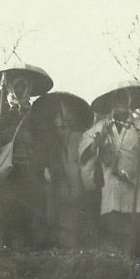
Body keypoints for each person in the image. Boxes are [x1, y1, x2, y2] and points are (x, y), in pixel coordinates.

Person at [80, 81, 140, 254]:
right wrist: (96, 144)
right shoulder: (101, 127)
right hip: (111, 183)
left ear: (130, 101)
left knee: (133, 232)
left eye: (124, 98)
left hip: (135, 184)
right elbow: (84, 154)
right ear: (111, 102)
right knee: (113, 229)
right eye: (117, 98)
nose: (121, 102)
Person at [0, 63, 53, 250]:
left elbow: (44, 142)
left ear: (29, 88)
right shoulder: (2, 114)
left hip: (31, 171)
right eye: (17, 86)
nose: (21, 90)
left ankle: (27, 254)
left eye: (24, 86)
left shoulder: (36, 115)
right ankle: (6, 252)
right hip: (9, 171)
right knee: (8, 213)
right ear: (10, 87)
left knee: (29, 213)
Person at [32, 91, 94, 249]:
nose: (62, 122)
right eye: (58, 116)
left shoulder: (81, 138)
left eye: (67, 115)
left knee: (73, 234)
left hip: (77, 195)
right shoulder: (48, 142)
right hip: (55, 197)